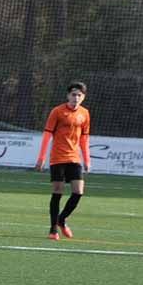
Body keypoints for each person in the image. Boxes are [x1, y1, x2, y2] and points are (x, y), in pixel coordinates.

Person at [35, 81, 91, 241]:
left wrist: (87, 158)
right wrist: (41, 157)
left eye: (79, 95)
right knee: (57, 192)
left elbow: (84, 138)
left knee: (78, 191)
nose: (76, 97)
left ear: (83, 97)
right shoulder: (57, 112)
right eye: (73, 94)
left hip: (74, 157)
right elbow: (47, 134)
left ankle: (62, 219)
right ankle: (53, 229)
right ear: (68, 95)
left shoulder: (85, 114)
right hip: (58, 157)